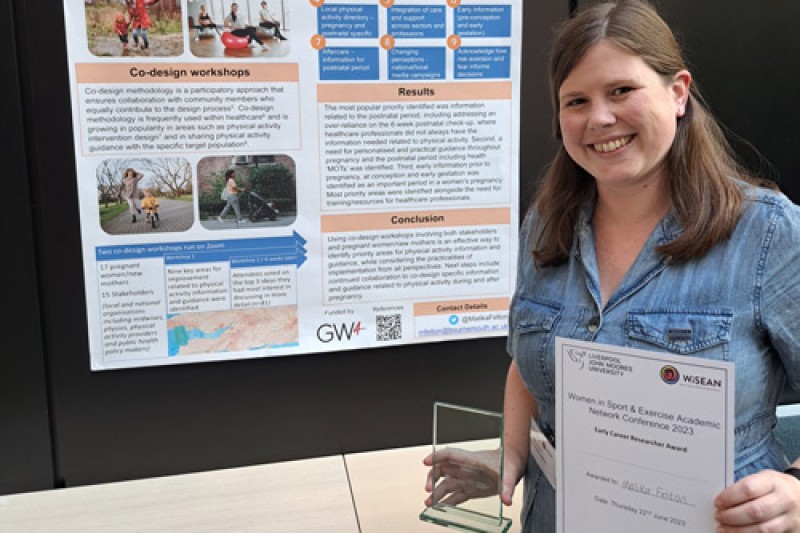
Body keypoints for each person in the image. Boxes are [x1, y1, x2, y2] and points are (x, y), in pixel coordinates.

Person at [425, 1, 800, 531]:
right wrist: (510, 458)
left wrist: (797, 491)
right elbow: (528, 366)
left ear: (678, 93)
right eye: (576, 100)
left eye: (621, 90)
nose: (600, 118)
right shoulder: (545, 225)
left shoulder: (767, 234)